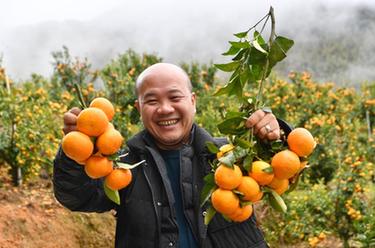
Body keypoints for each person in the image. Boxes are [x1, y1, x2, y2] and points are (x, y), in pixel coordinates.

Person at [53, 63, 281, 248]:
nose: (164, 109)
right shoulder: (121, 165)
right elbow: (77, 197)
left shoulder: (232, 157)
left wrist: (274, 134)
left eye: (174, 97)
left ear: (192, 101)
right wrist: (75, 153)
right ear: (139, 107)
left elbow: (283, 168)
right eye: (152, 100)